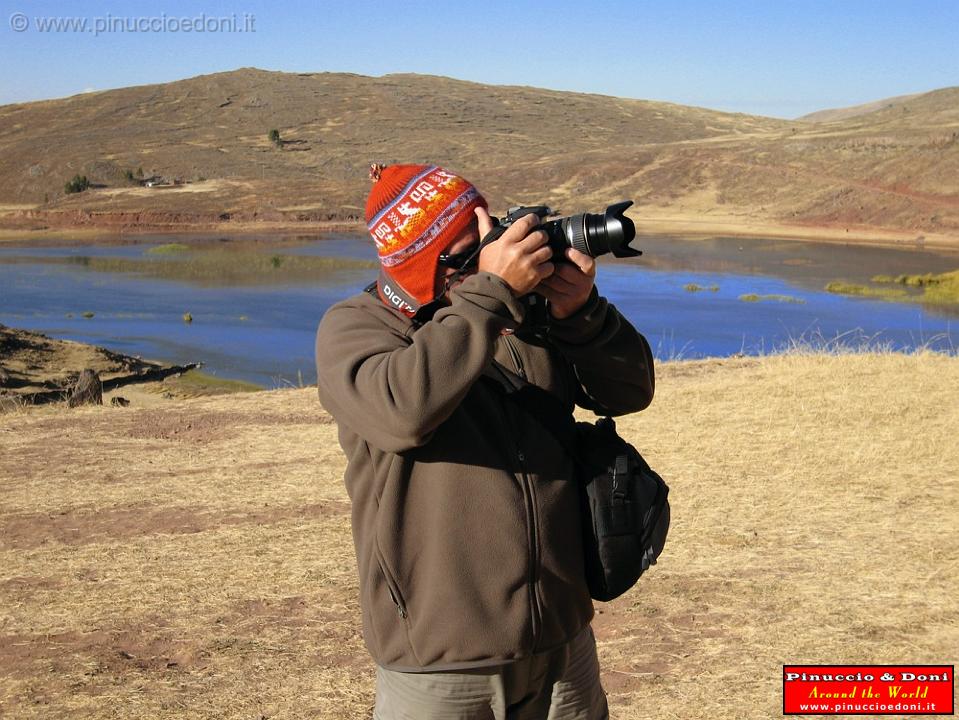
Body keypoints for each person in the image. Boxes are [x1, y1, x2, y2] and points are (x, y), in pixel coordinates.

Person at [315, 163, 655, 719]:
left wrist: (581, 313)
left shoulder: (524, 316)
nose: (494, 255)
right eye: (470, 250)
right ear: (426, 261)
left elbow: (630, 390)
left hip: (562, 638)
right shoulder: (357, 328)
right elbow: (403, 412)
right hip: (443, 661)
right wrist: (491, 294)